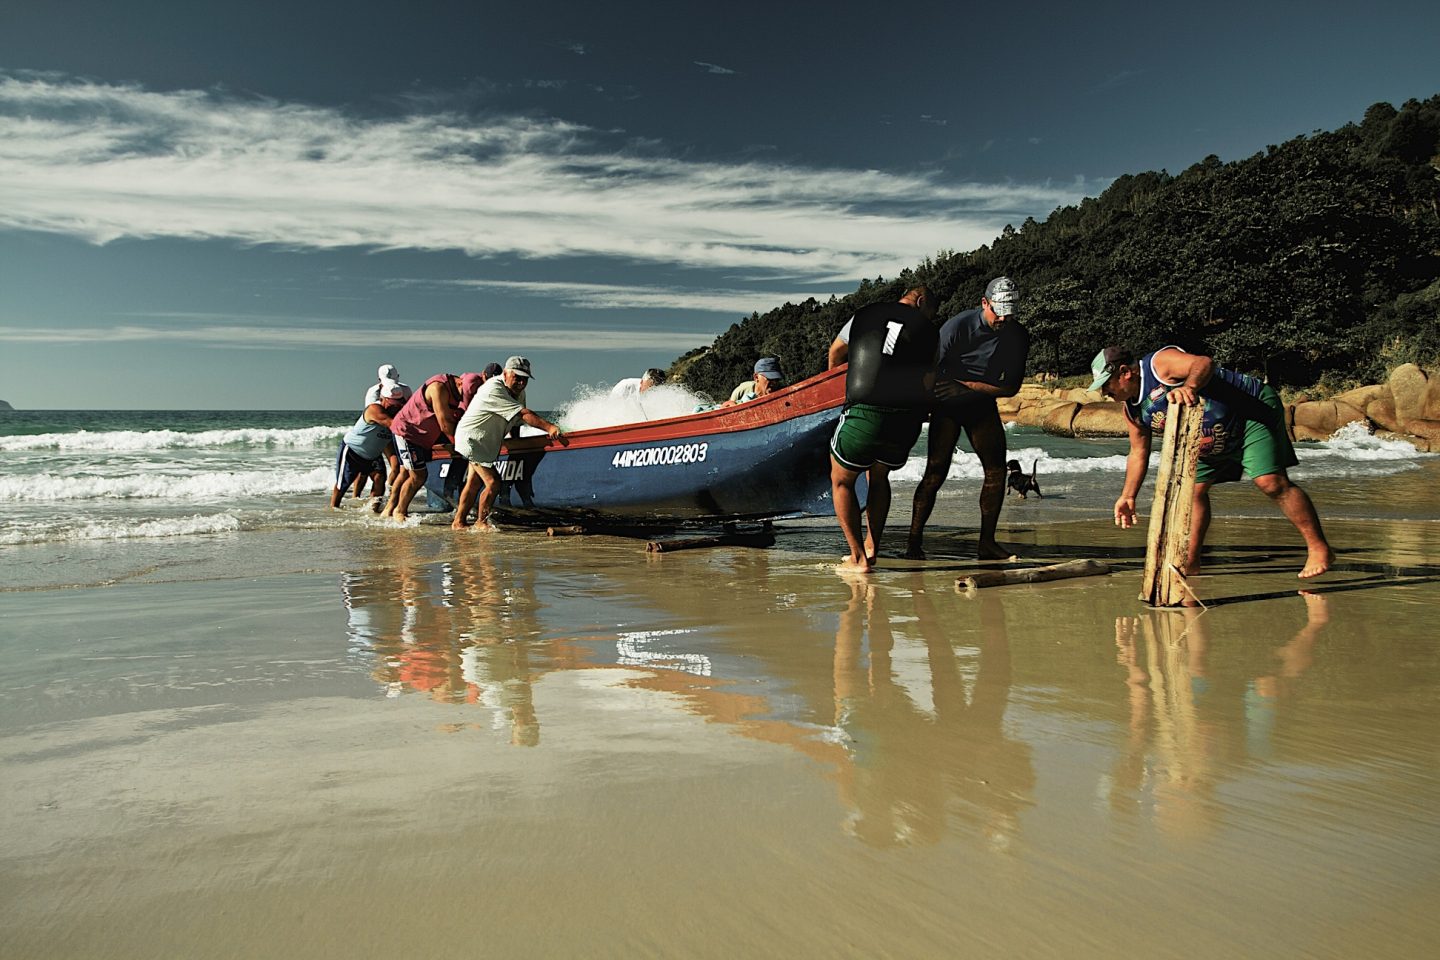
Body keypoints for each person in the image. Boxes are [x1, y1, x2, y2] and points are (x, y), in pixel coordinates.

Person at [1090, 344, 1334, 579]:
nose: (1104, 393)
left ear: (1125, 372)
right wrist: (1128, 496)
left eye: (1106, 385)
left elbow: (1203, 363)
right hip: (1208, 437)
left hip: (1249, 410)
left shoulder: (1158, 365)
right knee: (1193, 492)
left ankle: (1319, 548)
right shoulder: (1132, 411)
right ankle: (1191, 561)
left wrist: (1191, 387)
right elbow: (1138, 452)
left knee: (1269, 481)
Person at [904, 276, 1029, 561]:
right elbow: (931, 371)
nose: (1003, 318)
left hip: (981, 404)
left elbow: (1010, 387)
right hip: (946, 404)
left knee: (996, 472)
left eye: (1010, 312)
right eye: (998, 311)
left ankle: (987, 543)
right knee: (935, 472)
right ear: (984, 303)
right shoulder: (958, 326)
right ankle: (913, 543)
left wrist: (968, 387)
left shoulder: (1017, 335)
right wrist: (923, 404)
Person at [826, 286, 940, 573]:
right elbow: (928, 381)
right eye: (931, 312)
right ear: (922, 302)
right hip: (905, 420)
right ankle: (872, 546)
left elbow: (836, 353)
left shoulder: (864, 314)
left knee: (841, 481)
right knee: (879, 476)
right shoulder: (929, 330)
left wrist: (841, 391)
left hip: (863, 411)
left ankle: (857, 558)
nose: (930, 317)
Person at [451, 356, 565, 530]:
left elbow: (515, 420)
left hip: (483, 442)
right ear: (505, 374)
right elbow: (522, 414)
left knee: (473, 482)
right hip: (472, 439)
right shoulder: (493, 388)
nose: (520, 382)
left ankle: (458, 522)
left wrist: (517, 442)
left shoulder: (519, 392)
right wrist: (549, 427)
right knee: (493, 482)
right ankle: (481, 522)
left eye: (524, 379)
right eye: (517, 377)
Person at [383, 371, 483, 523]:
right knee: (418, 476)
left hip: (425, 435)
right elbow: (445, 424)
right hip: (408, 432)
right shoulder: (438, 387)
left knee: (406, 472)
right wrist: (462, 447)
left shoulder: (462, 388)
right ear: (459, 383)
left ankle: (389, 509)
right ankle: (399, 510)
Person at [331, 379, 407, 509]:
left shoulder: (398, 411)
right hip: (352, 451)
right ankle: (333, 509)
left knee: (379, 479)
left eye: (398, 404)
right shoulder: (374, 409)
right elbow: (394, 426)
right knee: (342, 485)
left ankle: (373, 510)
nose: (395, 407)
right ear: (383, 399)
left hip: (373, 454)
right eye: (392, 404)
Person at [359, 364, 413, 498]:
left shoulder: (405, 390)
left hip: (395, 431)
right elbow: (375, 415)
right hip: (378, 433)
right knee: (364, 471)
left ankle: (391, 492)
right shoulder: (373, 392)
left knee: (397, 466)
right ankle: (356, 497)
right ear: (379, 380)